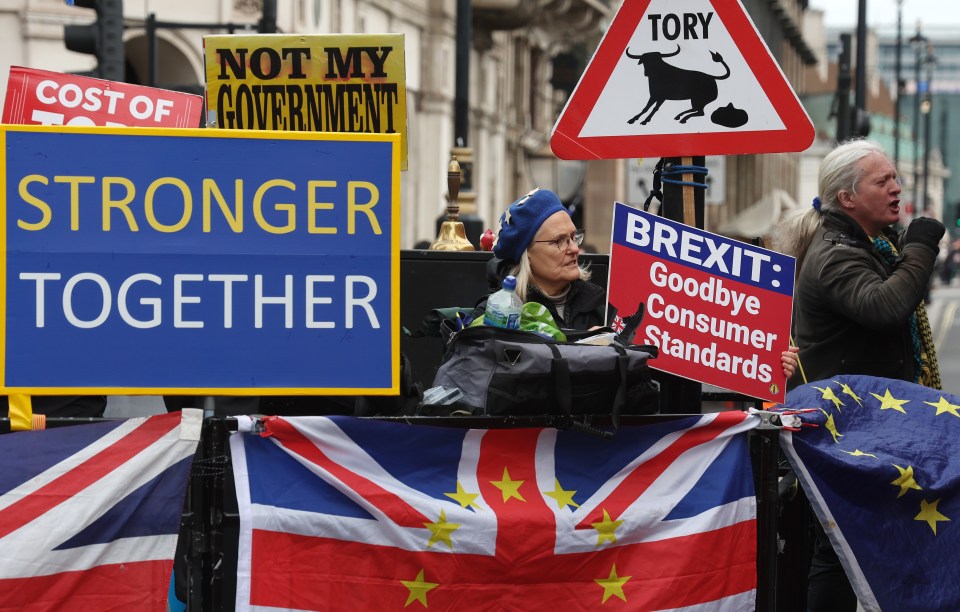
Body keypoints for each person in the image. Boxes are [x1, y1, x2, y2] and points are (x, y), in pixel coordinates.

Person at [773, 138, 945, 611]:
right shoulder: (836, 254)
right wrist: (923, 242)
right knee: (839, 546)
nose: (896, 187)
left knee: (858, 543)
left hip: (867, 421)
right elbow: (887, 306)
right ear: (848, 198)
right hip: (845, 426)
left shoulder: (868, 243)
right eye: (882, 180)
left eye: (894, 177)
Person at [476, 187, 800, 378]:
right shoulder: (497, 312)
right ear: (526, 255)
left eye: (574, 237)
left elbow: (687, 347)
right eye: (559, 242)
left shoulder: (609, 301)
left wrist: (764, 357)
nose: (574, 249)